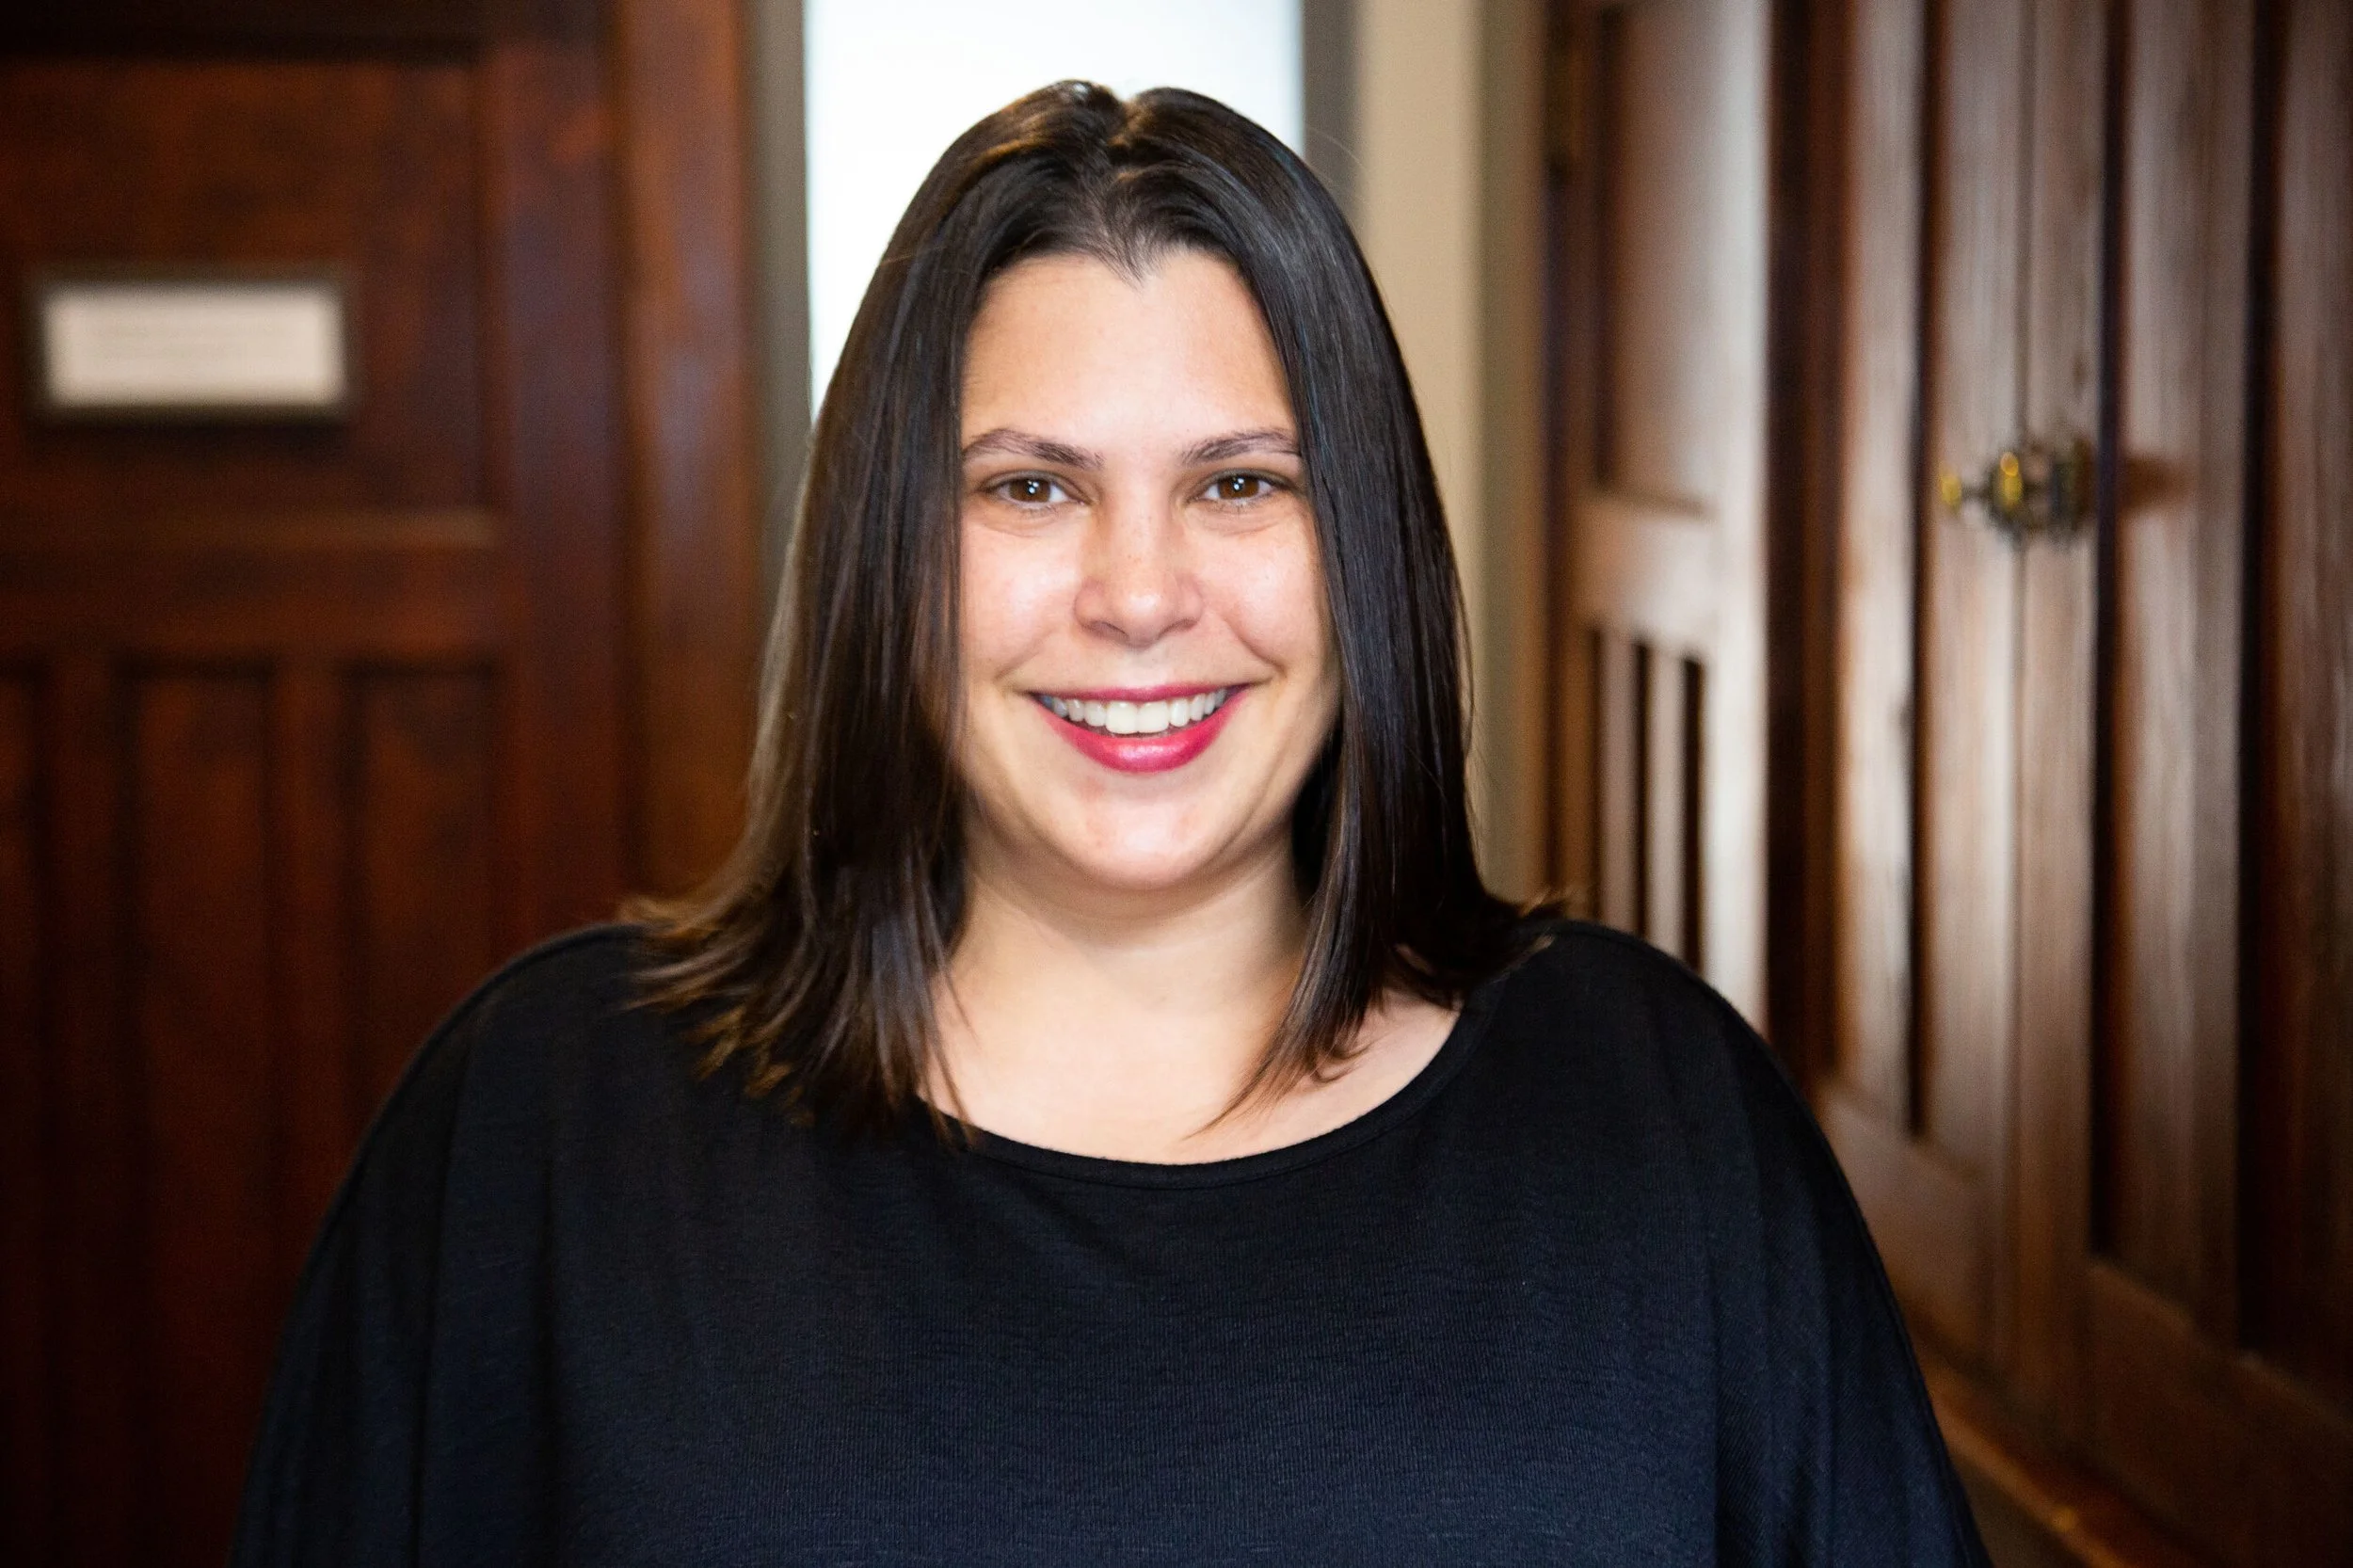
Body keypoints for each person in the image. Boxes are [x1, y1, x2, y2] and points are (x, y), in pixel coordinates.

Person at [232, 82, 1987, 1564]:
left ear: (1362, 548)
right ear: (888, 558)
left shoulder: (1664, 1120)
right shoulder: (542, 1129)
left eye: (1240, 482)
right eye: (1028, 486)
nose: (1139, 594)